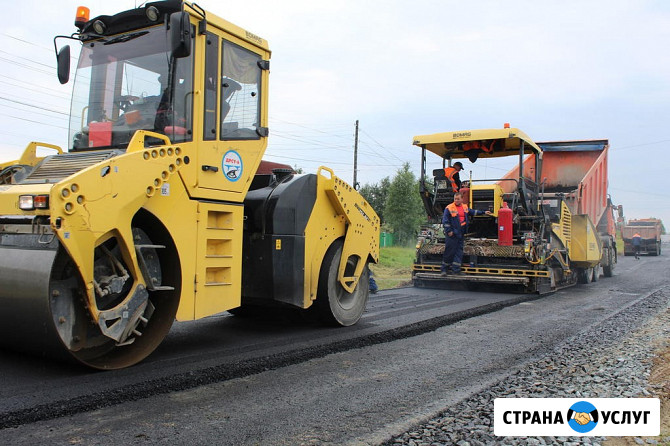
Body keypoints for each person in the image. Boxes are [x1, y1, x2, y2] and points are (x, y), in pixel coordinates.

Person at [441, 192, 491, 275]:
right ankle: (444, 269)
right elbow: (445, 221)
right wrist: (449, 231)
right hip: (452, 234)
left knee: (459, 252)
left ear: (462, 199)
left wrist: (483, 212)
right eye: (455, 199)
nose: (456, 200)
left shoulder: (464, 207)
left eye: (458, 199)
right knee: (449, 251)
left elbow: (472, 212)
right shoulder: (449, 208)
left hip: (460, 233)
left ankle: (455, 270)